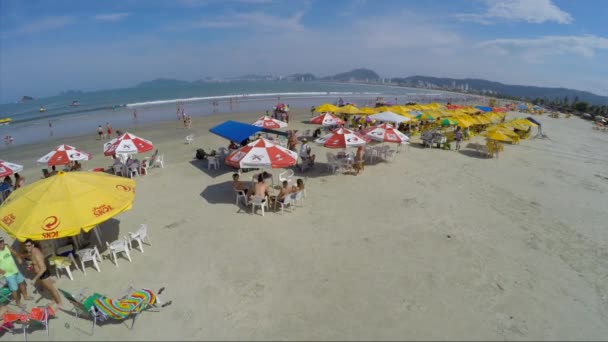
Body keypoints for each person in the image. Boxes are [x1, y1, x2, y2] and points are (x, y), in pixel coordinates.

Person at [22, 239, 62, 307]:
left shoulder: (36, 253)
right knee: (49, 288)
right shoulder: (32, 251)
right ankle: (54, 299)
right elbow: (36, 262)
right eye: (26, 246)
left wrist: (34, 279)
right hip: (41, 274)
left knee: (52, 289)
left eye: (29, 246)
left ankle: (60, 303)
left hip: (43, 274)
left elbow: (43, 268)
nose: (27, 247)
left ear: (32, 245)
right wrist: (32, 265)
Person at [0, 237, 29, 307]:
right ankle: (18, 302)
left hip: (15, 270)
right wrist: (1, 271)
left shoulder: (7, 246)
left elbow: (14, 252)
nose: (1, 243)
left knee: (22, 283)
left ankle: (25, 296)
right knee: (14, 289)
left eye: (2, 241)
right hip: (8, 274)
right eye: (0, 243)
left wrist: (18, 257)